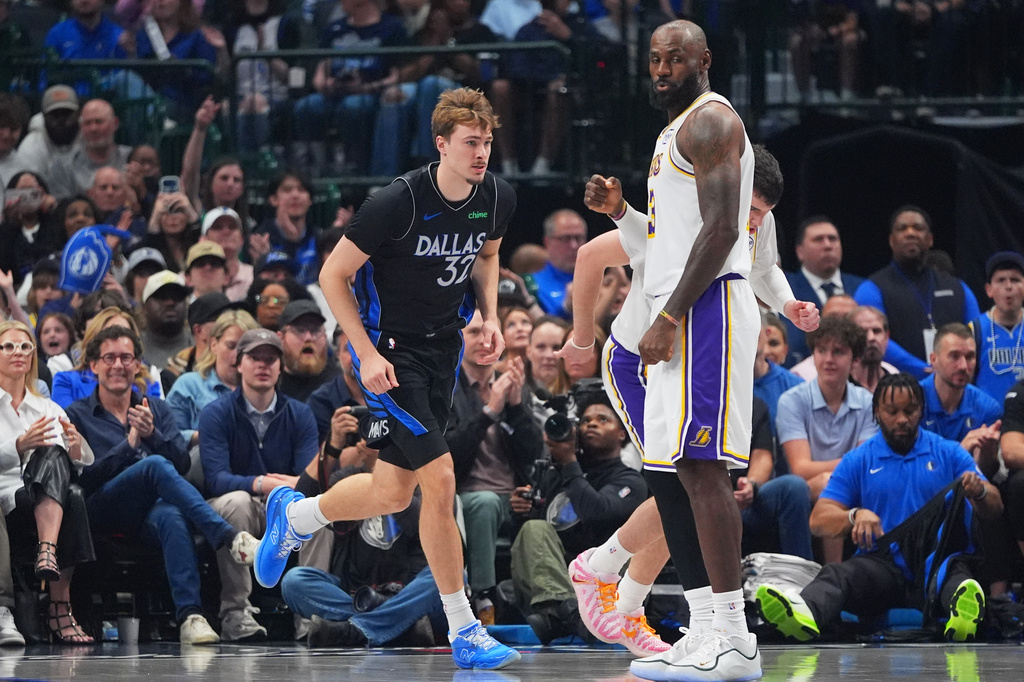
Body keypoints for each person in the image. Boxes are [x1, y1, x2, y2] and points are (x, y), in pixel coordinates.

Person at [255, 87, 521, 670]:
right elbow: (332, 275)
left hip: (443, 351)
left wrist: (492, 318)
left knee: (392, 490)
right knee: (442, 477)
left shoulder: (497, 196)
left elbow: (486, 256)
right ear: (442, 143)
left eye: (487, 142)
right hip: (391, 356)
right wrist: (364, 350)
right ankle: (464, 628)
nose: (481, 153)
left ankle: (294, 516)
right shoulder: (397, 201)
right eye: (471, 143)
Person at [562, 140, 819, 661]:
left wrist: (790, 305)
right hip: (640, 362)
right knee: (680, 485)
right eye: (750, 209)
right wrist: (581, 337)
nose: (753, 221)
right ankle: (601, 570)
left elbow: (765, 269)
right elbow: (596, 252)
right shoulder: (684, 211)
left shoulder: (753, 223)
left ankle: (626, 604)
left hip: (688, 359)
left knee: (690, 487)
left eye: (763, 214)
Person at [611, 19, 762, 680]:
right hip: (681, 309)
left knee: (704, 469)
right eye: (654, 59)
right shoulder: (674, 131)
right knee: (673, 470)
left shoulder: (710, 122)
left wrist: (669, 313)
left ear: (704, 58)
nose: (663, 68)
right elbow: (673, 238)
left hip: (705, 310)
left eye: (675, 57)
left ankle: (734, 639)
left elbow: (725, 227)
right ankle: (707, 628)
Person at [756, 373, 1003, 644]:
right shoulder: (859, 459)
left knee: (957, 578)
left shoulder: (949, 452)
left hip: (936, 562)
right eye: (892, 411)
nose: (901, 419)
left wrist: (979, 491)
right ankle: (803, 613)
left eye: (909, 411)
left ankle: (964, 613)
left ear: (922, 410)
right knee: (839, 574)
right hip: (882, 567)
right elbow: (818, 519)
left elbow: (995, 505)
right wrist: (854, 515)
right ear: (876, 412)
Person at [66, 325, 259, 644]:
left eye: (126, 357)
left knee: (170, 514)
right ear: (94, 365)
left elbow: (182, 465)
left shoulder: (156, 408)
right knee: (153, 465)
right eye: (109, 358)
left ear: (138, 364)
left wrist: (153, 435)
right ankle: (227, 535)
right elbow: (85, 478)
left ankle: (191, 616)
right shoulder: (78, 414)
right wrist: (129, 447)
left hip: (150, 513)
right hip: (103, 508)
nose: (118, 365)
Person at [198, 327, 327, 641]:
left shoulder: (300, 413)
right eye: (254, 357)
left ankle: (310, 614)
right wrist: (262, 483)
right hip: (241, 504)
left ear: (281, 366)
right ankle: (236, 613)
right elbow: (216, 479)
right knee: (236, 501)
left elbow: (307, 479)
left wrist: (286, 487)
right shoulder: (215, 413)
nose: (263, 365)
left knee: (321, 510)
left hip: (285, 505)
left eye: (271, 359)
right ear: (238, 363)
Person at [510, 397, 647, 645]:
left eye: (602, 420)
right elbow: (534, 539)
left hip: (603, 584)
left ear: (621, 434)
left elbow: (597, 513)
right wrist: (520, 510)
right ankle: (569, 612)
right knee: (533, 528)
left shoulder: (631, 481)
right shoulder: (556, 473)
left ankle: (559, 616)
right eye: (585, 421)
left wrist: (570, 463)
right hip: (558, 578)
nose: (591, 425)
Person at [0, 320, 95, 644]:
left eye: (26, 347)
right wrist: (19, 447)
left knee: (73, 488)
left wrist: (74, 446)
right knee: (71, 494)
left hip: (43, 495)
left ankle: (47, 554)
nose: (19, 353)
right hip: (7, 494)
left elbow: (81, 461)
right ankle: (60, 608)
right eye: (9, 346)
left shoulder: (47, 406)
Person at [449, 309, 542, 625]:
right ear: (459, 340)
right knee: (486, 504)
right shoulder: (446, 389)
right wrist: (490, 411)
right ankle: (483, 597)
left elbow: (532, 451)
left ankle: (547, 607)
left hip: (511, 494)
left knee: (544, 508)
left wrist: (515, 406)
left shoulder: (514, 385)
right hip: (464, 497)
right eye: (474, 332)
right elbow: (450, 454)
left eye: (490, 334)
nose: (484, 341)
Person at [854, 205, 981, 378]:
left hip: (953, 385)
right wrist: (926, 370)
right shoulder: (871, 289)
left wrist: (950, 367)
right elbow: (875, 339)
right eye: (902, 228)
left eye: (918, 228)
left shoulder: (958, 288)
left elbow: (976, 336)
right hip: (896, 386)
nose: (910, 233)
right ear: (891, 240)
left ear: (930, 239)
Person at [783, 216, 865, 367]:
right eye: (818, 239)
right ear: (799, 252)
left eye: (833, 239)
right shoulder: (785, 289)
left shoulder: (863, 288)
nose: (827, 245)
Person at [921, 323, 1002, 474]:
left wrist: (986, 453)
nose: (963, 366)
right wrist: (960, 451)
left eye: (970, 357)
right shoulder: (913, 402)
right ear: (933, 360)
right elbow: (912, 470)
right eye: (954, 356)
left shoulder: (987, 408)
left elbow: (983, 473)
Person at [47, 100, 132, 201]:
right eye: (87, 123)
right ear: (81, 127)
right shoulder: (63, 167)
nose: (93, 128)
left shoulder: (131, 159)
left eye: (99, 122)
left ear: (115, 123)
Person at [971, 251, 1024, 404]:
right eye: (1001, 280)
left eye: (1015, 280)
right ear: (989, 290)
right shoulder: (975, 330)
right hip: (989, 420)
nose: (1008, 286)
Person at [163, 291, 241, 388]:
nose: (229, 324)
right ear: (199, 330)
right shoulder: (173, 375)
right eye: (220, 320)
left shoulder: (239, 371)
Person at [524, 209, 588, 319]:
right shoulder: (531, 285)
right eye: (565, 238)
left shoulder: (601, 279)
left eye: (578, 238)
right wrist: (565, 309)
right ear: (547, 242)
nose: (574, 246)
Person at [276, 300, 340, 402]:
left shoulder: (339, 384)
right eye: (300, 330)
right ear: (280, 337)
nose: (308, 338)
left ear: (325, 336)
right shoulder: (271, 383)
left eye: (315, 330)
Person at [18, 85, 80, 181]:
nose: (61, 121)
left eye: (67, 113)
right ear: (43, 117)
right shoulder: (31, 147)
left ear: (77, 115)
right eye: (54, 115)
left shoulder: (90, 136)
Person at [139, 270, 192, 369]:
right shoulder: (132, 349)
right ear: (144, 306)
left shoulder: (201, 347)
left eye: (177, 297)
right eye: (161, 297)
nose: (170, 302)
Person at [200, 207, 253, 302]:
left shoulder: (253, 277)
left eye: (232, 227)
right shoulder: (193, 278)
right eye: (218, 227)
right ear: (204, 239)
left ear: (241, 239)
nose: (226, 232)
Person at [849, 305, 898, 394]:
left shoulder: (896, 382)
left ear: (887, 336)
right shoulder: (840, 386)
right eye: (863, 332)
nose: (871, 338)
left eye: (876, 331)